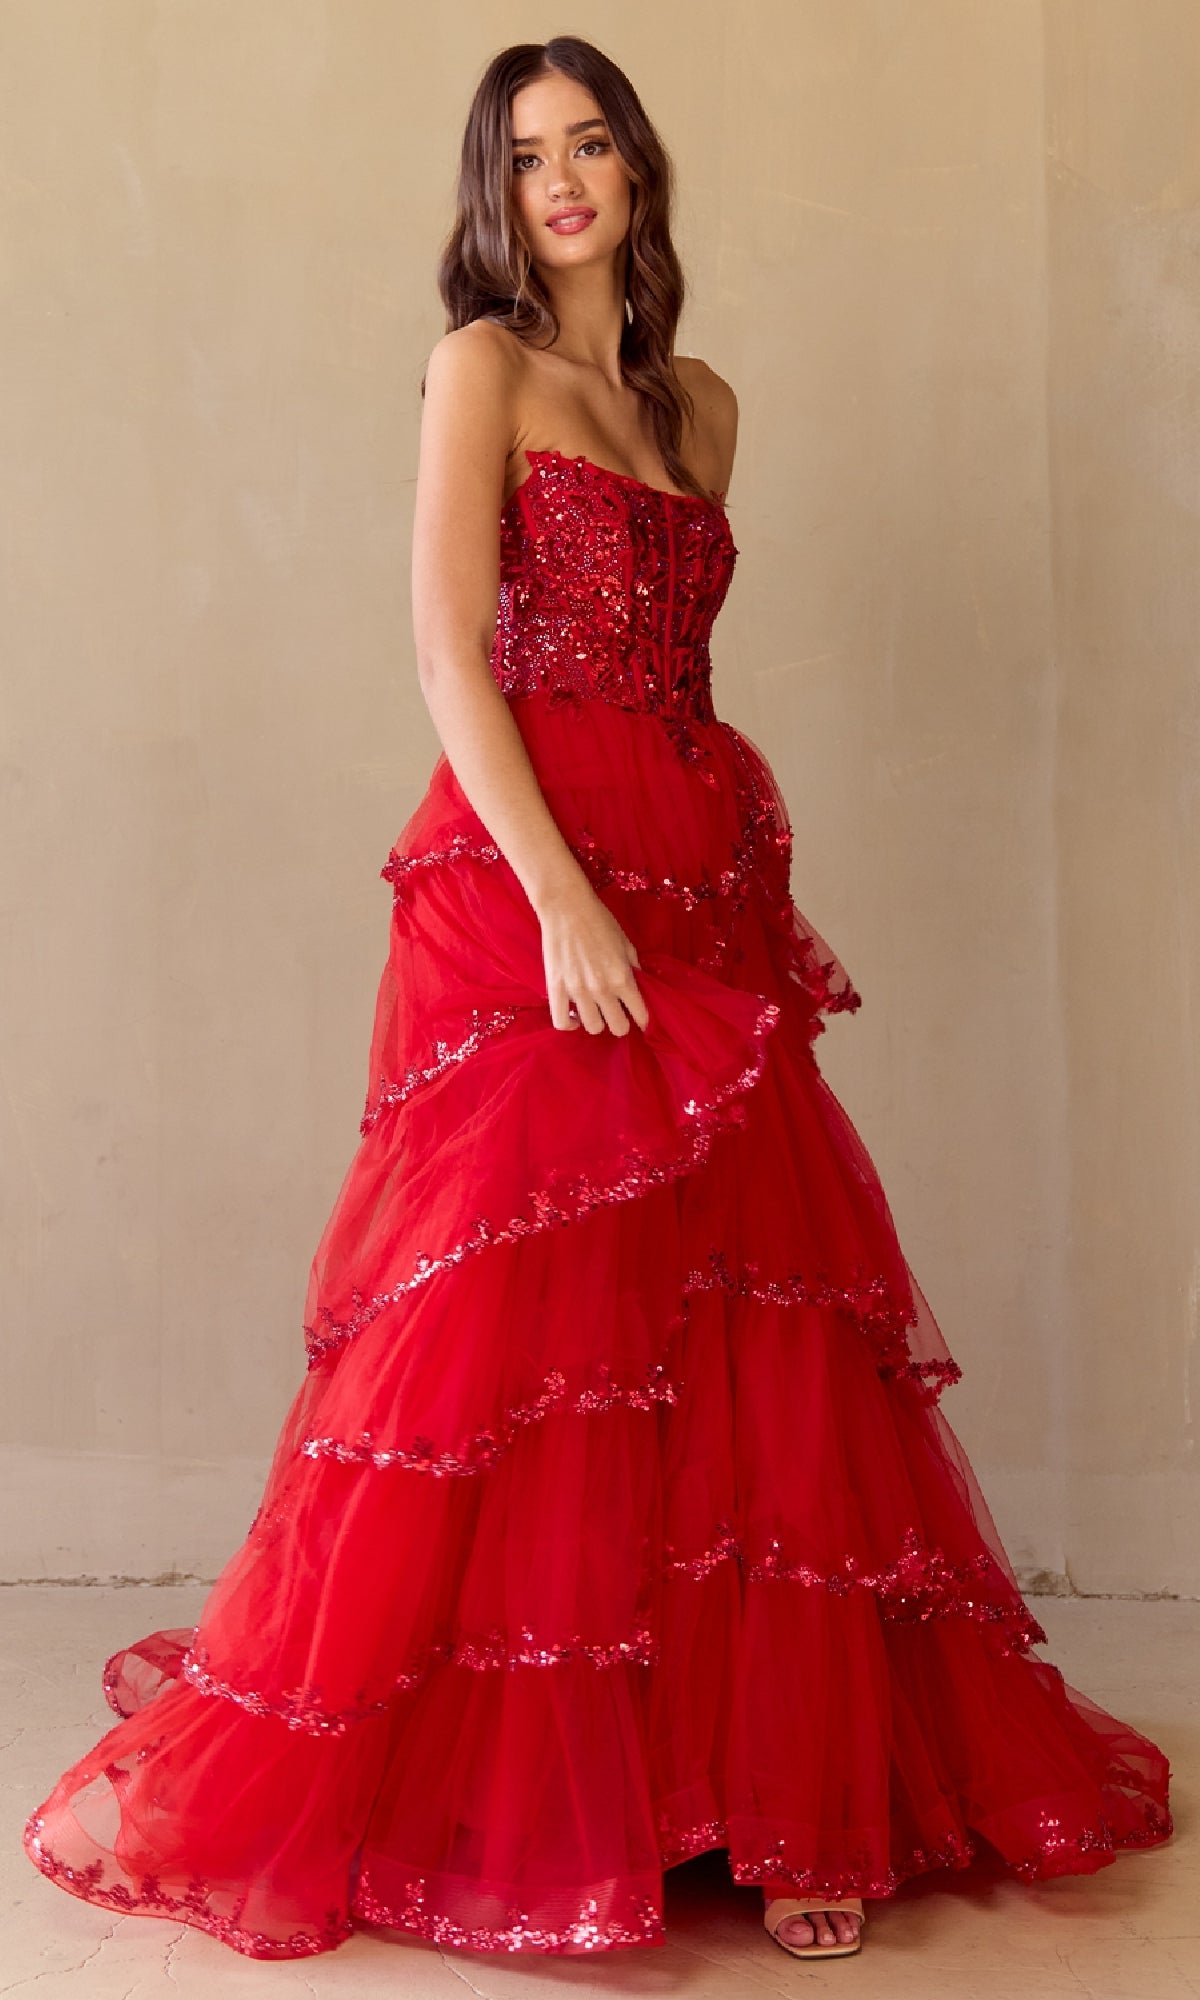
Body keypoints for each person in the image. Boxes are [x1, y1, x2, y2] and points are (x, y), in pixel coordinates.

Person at [22, 33, 1172, 1968]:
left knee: (752, 1308)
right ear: (497, 191)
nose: (559, 181)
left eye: (589, 146)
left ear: (638, 170)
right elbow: (445, 650)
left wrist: (728, 888)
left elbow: (685, 681)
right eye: (526, 155)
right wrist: (562, 898)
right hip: (530, 871)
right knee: (517, 1317)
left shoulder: (700, 407)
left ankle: (785, 1785)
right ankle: (529, 1786)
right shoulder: (482, 367)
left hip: (697, 865)